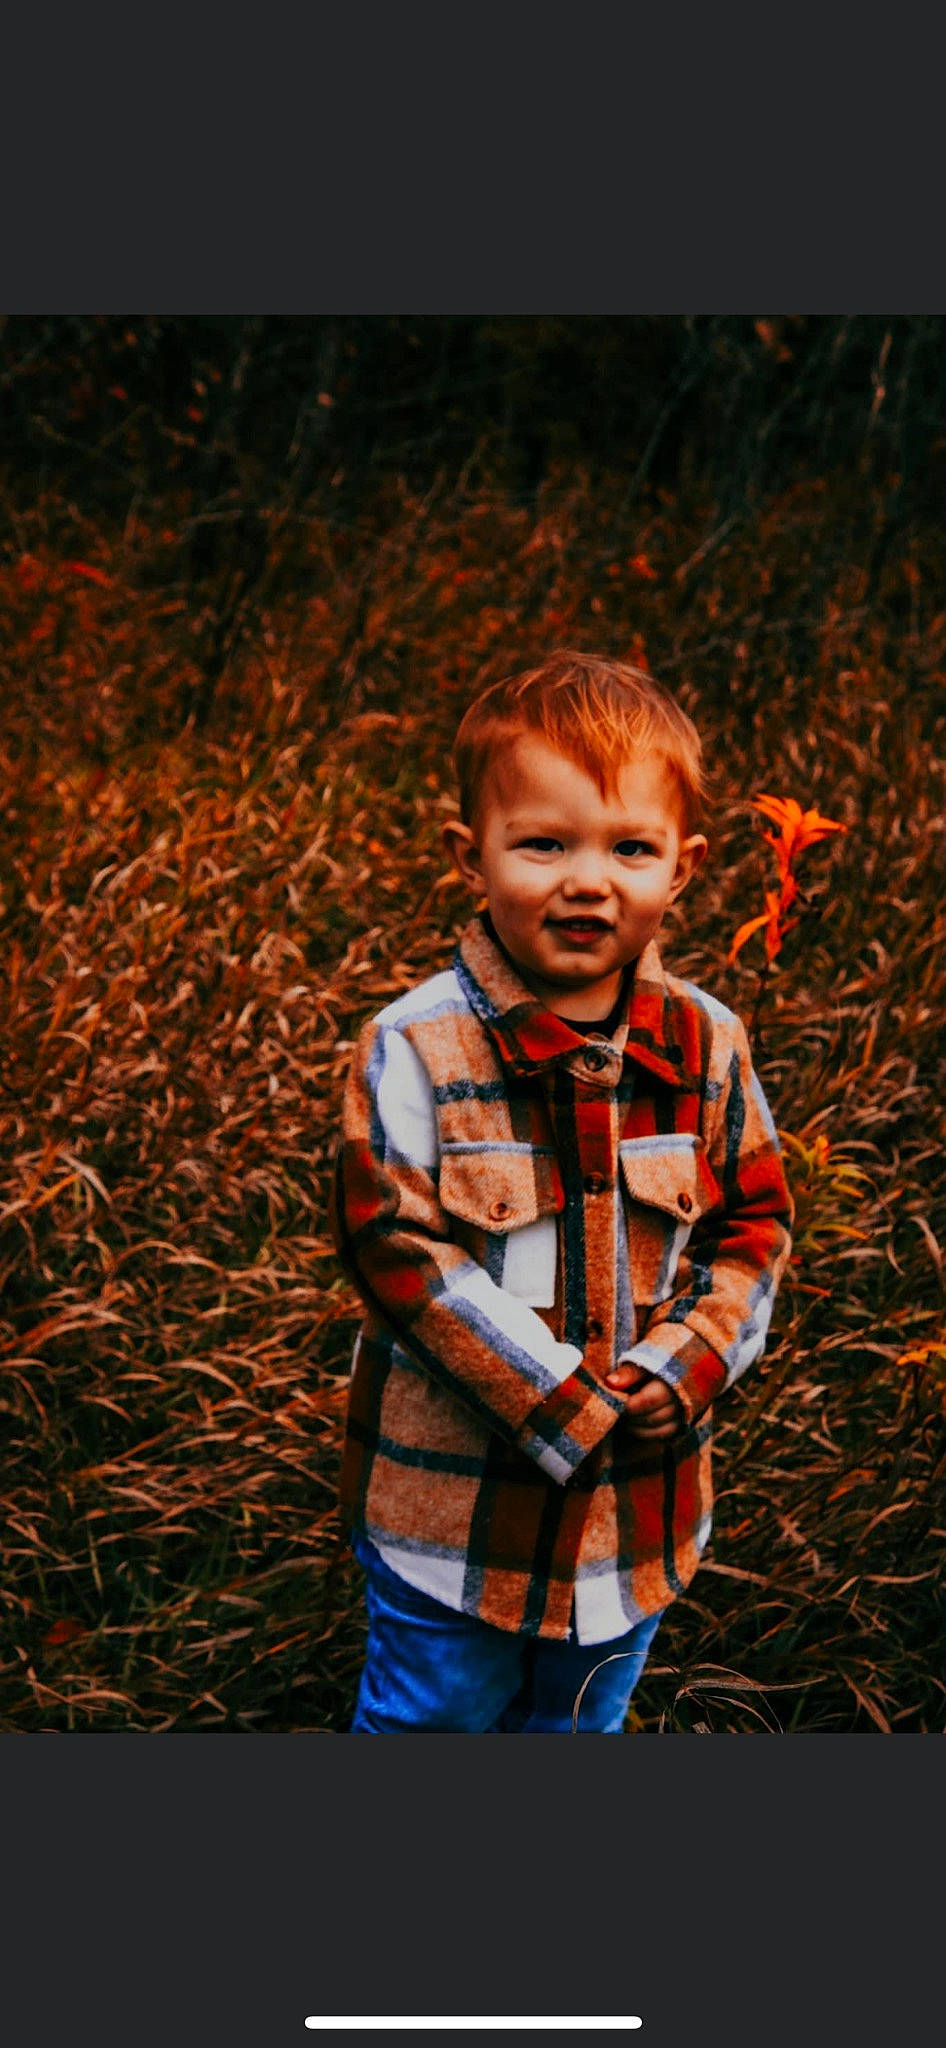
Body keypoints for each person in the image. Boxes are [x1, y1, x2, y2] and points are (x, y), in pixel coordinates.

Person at [331, 650, 793, 1732]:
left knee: (577, 1724)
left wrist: (686, 1364)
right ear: (473, 855)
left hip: (633, 1522)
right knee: (431, 1719)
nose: (588, 878)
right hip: (453, 1521)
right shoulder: (416, 1045)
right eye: (544, 842)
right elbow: (398, 1249)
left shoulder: (706, 1043)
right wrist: (566, 1401)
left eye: (629, 847)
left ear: (681, 867)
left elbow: (754, 1223)